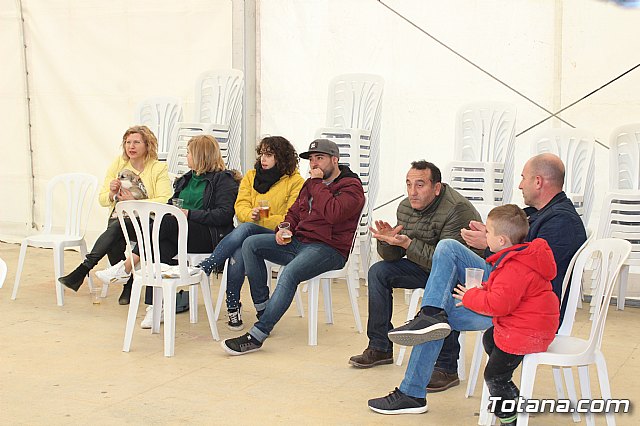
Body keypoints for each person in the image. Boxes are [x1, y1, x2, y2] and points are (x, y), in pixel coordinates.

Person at [367, 153, 586, 415]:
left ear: (538, 181)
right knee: (437, 316)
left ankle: (416, 379)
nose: (520, 185)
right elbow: (520, 259)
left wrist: (495, 246)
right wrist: (494, 240)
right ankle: (417, 374)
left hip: (525, 313)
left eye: (523, 178)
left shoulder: (561, 221)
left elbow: (532, 272)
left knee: (447, 254)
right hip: (511, 297)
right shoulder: (540, 213)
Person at [220, 138, 365, 355]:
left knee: (289, 273)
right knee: (251, 243)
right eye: (312, 159)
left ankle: (257, 335)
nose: (314, 164)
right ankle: (263, 309)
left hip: (329, 249)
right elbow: (295, 212)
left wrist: (316, 184)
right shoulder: (310, 185)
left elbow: (333, 214)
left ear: (335, 160)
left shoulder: (351, 187)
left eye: (320, 158)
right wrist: (283, 229)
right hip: (299, 242)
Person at [96, 135, 239, 328]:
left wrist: (188, 214)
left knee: (167, 224)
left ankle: (126, 266)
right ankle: (155, 306)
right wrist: (177, 212)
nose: (186, 156)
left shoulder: (224, 180)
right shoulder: (186, 179)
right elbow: (172, 204)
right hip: (181, 233)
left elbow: (223, 215)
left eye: (189, 152)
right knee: (160, 245)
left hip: (209, 236)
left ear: (200, 155)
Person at [349, 160, 481, 369]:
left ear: (436, 188)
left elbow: (447, 261)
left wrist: (409, 244)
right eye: (408, 184)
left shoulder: (457, 209)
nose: (412, 192)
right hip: (424, 266)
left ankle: (446, 367)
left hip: (461, 276)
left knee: (444, 286)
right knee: (378, 272)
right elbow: (394, 256)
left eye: (420, 185)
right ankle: (380, 346)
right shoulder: (405, 207)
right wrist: (386, 242)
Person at [454, 205, 559, 425]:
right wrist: (484, 288)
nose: (486, 236)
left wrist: (470, 297)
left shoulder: (513, 267)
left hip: (526, 332)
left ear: (501, 240)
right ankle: (513, 398)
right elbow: (505, 290)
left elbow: (498, 305)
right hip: (532, 326)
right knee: (489, 337)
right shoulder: (520, 257)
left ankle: (509, 417)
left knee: (493, 376)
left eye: (488, 233)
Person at [195, 136, 304, 330]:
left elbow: (291, 217)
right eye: (261, 153)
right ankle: (236, 307)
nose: (263, 158)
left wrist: (263, 218)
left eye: (269, 155)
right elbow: (240, 206)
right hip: (251, 233)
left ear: (282, 157)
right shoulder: (251, 176)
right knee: (242, 245)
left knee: (245, 230)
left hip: (277, 236)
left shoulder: (295, 181)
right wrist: (249, 214)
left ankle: (211, 265)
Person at [58, 125, 172, 303]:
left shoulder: (158, 168)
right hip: (120, 219)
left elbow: (165, 199)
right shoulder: (119, 164)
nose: (131, 146)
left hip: (147, 223)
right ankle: (128, 283)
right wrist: (112, 193)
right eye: (127, 142)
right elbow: (103, 199)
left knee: (117, 227)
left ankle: (83, 270)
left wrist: (133, 203)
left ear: (147, 145)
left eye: (136, 142)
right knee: (115, 235)